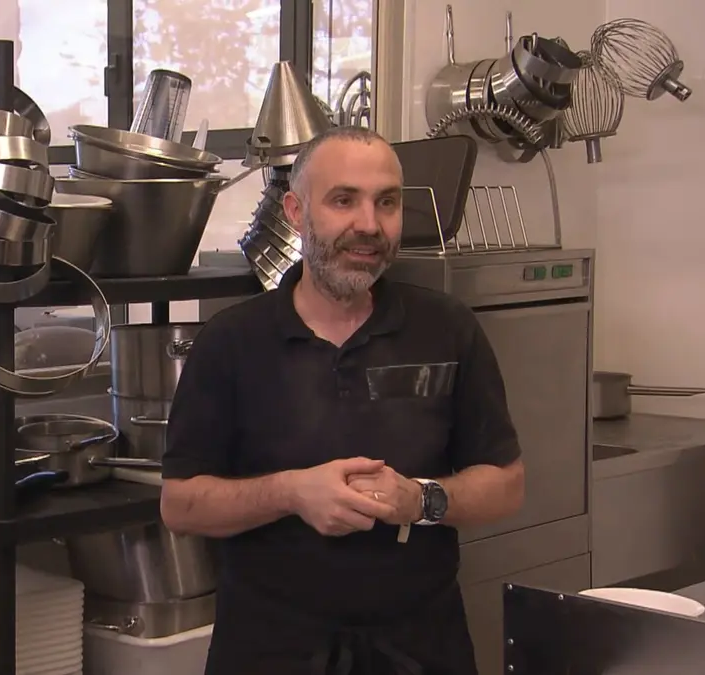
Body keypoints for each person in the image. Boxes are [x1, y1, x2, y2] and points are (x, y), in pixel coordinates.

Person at [159, 126, 526, 675]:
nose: (369, 226)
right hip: (269, 651)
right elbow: (180, 505)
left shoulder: (447, 329)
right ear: (296, 212)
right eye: (343, 200)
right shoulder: (231, 342)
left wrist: (418, 499)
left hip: (421, 648)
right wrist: (292, 492)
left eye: (387, 203)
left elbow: (506, 486)